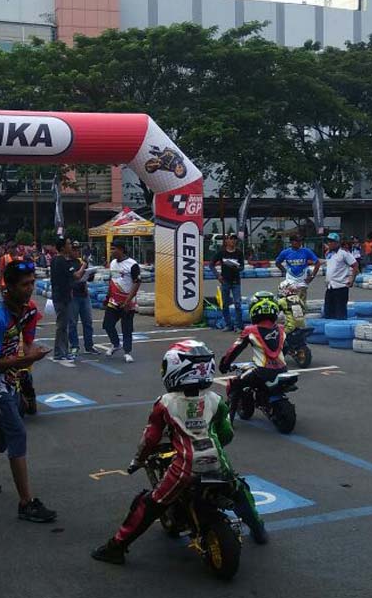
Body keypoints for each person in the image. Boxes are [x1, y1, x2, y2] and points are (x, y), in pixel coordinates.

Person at [90, 340, 267, 565]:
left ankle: (116, 547)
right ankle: (258, 529)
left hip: (184, 470)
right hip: (219, 465)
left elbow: (150, 439)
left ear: (176, 369)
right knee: (239, 490)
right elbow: (226, 434)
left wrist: (138, 461)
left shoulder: (165, 403)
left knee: (150, 504)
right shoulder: (215, 400)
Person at [0, 260, 57, 523]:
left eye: (32, 283)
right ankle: (26, 503)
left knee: (2, 433)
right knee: (16, 433)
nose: (30, 288)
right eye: (25, 285)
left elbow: (27, 342)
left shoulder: (28, 310)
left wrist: (28, 359)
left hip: (10, 375)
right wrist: (28, 360)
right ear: (9, 287)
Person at [219, 291, 288, 405]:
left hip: (261, 372)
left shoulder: (250, 330)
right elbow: (285, 348)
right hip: (282, 370)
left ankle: (230, 414)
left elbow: (235, 349)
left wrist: (224, 364)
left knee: (235, 383)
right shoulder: (281, 328)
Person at [50, 239, 88, 362]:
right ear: (62, 248)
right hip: (62, 297)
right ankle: (59, 352)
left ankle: (63, 351)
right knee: (62, 326)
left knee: (63, 325)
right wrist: (84, 266)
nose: (70, 246)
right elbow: (76, 275)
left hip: (59, 295)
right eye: (68, 244)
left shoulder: (55, 260)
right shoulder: (62, 261)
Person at [103, 241, 140, 363]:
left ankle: (127, 352)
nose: (112, 251)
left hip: (127, 302)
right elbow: (112, 281)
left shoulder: (132, 264)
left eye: (114, 249)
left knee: (126, 328)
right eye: (111, 249)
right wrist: (107, 297)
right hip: (114, 301)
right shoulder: (113, 263)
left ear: (121, 249)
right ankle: (115, 344)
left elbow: (137, 283)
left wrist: (128, 301)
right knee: (107, 324)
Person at [67, 241, 98, 355]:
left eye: (77, 250)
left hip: (84, 294)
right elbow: (75, 276)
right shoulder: (67, 263)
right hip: (73, 295)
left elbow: (88, 278)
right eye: (74, 250)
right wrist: (84, 266)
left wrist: (90, 273)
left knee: (88, 322)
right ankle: (74, 346)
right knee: (72, 323)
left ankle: (89, 346)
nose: (76, 252)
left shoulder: (80, 262)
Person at [211, 233, 246, 332]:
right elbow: (211, 264)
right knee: (225, 304)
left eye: (235, 239)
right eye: (231, 239)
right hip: (225, 281)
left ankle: (239, 326)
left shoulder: (239, 253)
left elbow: (242, 266)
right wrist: (218, 275)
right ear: (227, 241)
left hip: (236, 281)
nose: (233, 241)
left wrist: (237, 267)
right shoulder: (221, 253)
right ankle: (228, 324)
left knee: (237, 303)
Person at [322, 233, 358, 320]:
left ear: (337, 243)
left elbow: (355, 265)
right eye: (328, 241)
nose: (329, 243)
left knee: (340, 313)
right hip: (330, 286)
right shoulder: (328, 254)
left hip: (341, 286)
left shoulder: (344, 254)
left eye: (331, 241)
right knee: (328, 313)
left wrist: (352, 279)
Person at [274, 234, 320, 302]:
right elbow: (277, 263)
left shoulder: (306, 251)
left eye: (300, 241)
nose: (299, 243)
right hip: (289, 282)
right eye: (297, 241)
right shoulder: (285, 252)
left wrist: (311, 276)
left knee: (300, 303)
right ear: (291, 242)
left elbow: (317, 263)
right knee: (287, 301)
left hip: (302, 282)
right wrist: (284, 271)